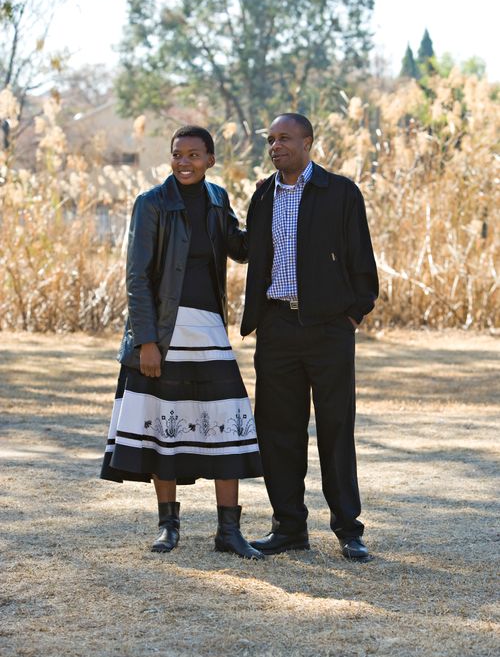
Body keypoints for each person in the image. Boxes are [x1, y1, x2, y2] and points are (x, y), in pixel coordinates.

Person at [100, 125, 264, 560]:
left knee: (227, 424)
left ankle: (229, 532)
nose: (184, 162)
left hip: (209, 328)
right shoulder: (151, 204)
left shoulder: (217, 199)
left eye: (194, 154)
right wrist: (148, 342)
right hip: (165, 333)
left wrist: (264, 202)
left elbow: (241, 248)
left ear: (211, 160)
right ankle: (168, 527)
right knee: (163, 428)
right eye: (177, 154)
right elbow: (136, 278)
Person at [241, 113, 378, 560]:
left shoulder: (339, 192)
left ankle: (348, 529)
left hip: (328, 329)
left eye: (284, 138)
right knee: (278, 430)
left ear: (308, 142)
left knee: (337, 429)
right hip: (277, 329)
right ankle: (288, 527)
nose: (275, 146)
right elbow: (252, 252)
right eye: (270, 140)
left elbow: (361, 259)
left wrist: (352, 314)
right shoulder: (262, 195)